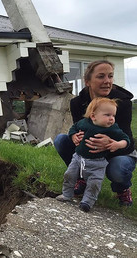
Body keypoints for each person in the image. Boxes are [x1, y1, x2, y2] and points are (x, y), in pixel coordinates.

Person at [54, 60, 136, 207]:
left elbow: (128, 141)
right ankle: (82, 177)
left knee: (119, 168)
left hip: (118, 151)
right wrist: (75, 137)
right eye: (101, 76)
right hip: (88, 150)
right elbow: (78, 128)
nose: (107, 81)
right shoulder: (77, 103)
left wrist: (110, 144)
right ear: (88, 82)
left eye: (110, 76)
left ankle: (122, 189)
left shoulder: (123, 103)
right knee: (61, 140)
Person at [56, 97, 130, 212]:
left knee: (94, 183)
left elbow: (126, 139)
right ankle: (67, 194)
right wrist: (73, 136)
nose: (111, 119)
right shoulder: (84, 123)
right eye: (107, 115)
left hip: (98, 163)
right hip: (78, 158)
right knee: (69, 175)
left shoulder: (113, 129)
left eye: (113, 116)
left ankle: (87, 202)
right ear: (93, 116)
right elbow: (73, 128)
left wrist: (117, 144)